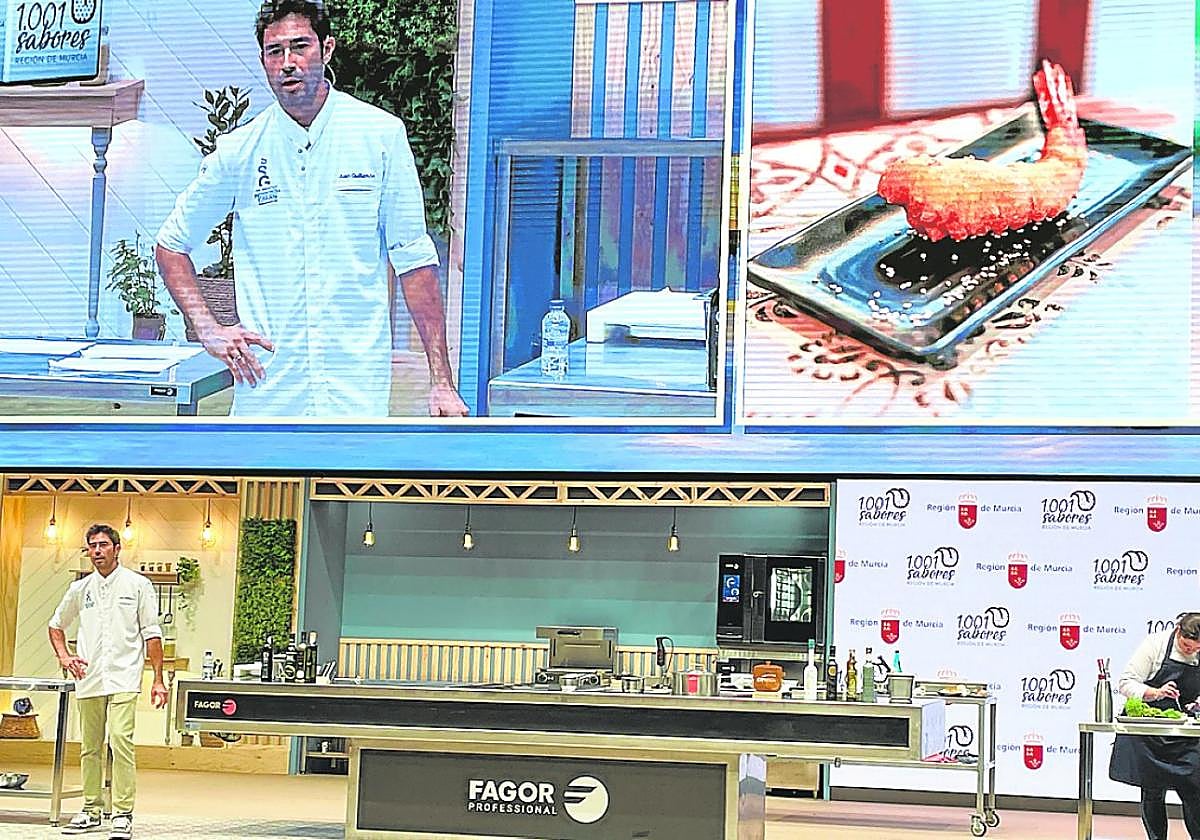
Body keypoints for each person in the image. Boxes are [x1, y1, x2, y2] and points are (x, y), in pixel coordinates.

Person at [156, 0, 469, 419]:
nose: (288, 63)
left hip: (356, 393)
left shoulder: (379, 136)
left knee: (349, 485)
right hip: (267, 394)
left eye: (300, 47)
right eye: (275, 51)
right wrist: (208, 327)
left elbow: (414, 262)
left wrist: (442, 381)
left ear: (328, 48)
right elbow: (171, 244)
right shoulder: (240, 150)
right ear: (263, 61)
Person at [48, 525, 166, 840]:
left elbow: (152, 633)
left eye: (103, 545)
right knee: (90, 746)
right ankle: (91, 808)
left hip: (125, 675)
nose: (97, 551)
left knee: (120, 741)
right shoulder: (80, 589)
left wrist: (158, 679)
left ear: (116, 548)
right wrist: (64, 656)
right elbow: (56, 625)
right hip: (88, 677)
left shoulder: (138, 585)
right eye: (92, 546)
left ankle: (122, 813)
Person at [1111, 612, 1200, 840]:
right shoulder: (1155, 645)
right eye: (1186, 646)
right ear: (1178, 631)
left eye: (1195, 648)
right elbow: (1126, 682)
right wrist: (1156, 693)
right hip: (1151, 729)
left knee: (1194, 790)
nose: (1191, 651)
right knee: (1152, 791)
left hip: (1186, 730)